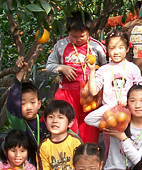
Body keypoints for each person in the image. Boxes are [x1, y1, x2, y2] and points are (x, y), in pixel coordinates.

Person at [45, 11, 107, 143]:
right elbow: (49, 65)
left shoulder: (96, 46)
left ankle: (90, 155)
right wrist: (61, 68)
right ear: (68, 32)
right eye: (73, 36)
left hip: (89, 94)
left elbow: (106, 67)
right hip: (67, 93)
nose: (78, 39)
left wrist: (94, 74)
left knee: (89, 129)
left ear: (89, 32)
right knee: (66, 128)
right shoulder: (61, 46)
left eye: (82, 36)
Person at [87, 30, 142, 108]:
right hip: (108, 110)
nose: (116, 52)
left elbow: (140, 89)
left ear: (127, 49)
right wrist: (92, 70)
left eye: (120, 48)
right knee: (89, 119)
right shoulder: (103, 70)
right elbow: (93, 92)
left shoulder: (133, 68)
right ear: (107, 49)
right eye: (112, 48)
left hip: (128, 108)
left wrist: (129, 101)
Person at [6, 57, 47, 168]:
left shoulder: (46, 118)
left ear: (39, 104)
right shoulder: (20, 124)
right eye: (23, 104)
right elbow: (13, 100)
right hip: (29, 166)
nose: (28, 107)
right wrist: (20, 74)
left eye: (32, 102)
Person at [39, 100, 82, 170]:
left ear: (70, 123)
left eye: (60, 117)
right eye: (51, 117)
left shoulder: (75, 141)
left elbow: (83, 166)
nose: (55, 121)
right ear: (45, 122)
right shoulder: (44, 146)